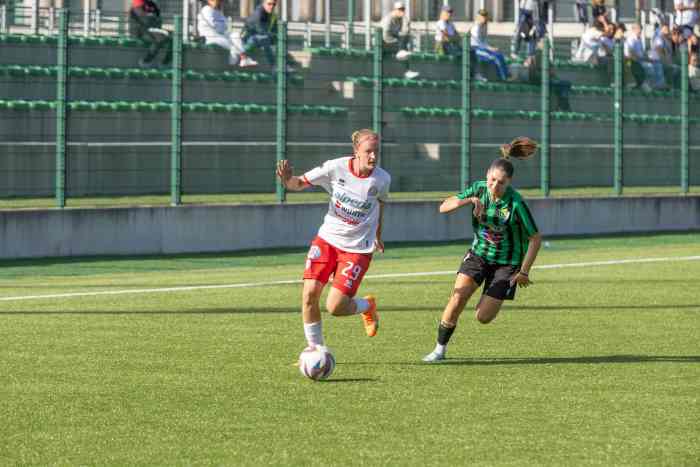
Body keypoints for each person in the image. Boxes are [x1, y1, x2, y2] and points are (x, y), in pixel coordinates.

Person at [422, 139, 542, 363]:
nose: (495, 186)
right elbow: (443, 207)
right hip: (479, 255)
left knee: (483, 317)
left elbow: (535, 238)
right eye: (492, 180)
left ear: (509, 183)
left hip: (507, 263)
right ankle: (439, 350)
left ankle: (490, 295)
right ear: (487, 175)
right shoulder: (478, 188)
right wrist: (468, 200)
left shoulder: (516, 203)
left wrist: (524, 271)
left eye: (501, 183)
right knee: (457, 299)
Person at [275, 129, 391, 351]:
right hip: (327, 240)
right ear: (356, 151)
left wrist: (378, 235)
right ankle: (316, 349)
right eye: (368, 151)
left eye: (376, 151)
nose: (373, 157)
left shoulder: (383, 179)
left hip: (357, 249)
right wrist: (287, 180)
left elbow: (381, 206)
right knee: (309, 294)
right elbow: (298, 184)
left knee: (335, 307)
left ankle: (367, 306)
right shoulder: (334, 167)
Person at [197, 0, 251, 66]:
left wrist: (220, 26)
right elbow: (214, 26)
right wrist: (221, 26)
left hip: (220, 35)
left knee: (235, 35)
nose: (216, 2)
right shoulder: (206, 10)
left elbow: (224, 26)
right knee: (234, 46)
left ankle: (242, 60)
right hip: (210, 37)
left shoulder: (218, 11)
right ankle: (234, 65)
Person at [381, 1, 420, 79]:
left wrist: (406, 21)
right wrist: (396, 41)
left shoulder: (401, 19)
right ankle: (406, 69)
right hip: (383, 42)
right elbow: (385, 35)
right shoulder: (388, 19)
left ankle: (407, 71)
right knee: (402, 43)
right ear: (395, 10)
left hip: (394, 42)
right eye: (399, 9)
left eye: (403, 9)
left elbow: (405, 32)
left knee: (404, 41)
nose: (401, 11)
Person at [129, 0, 172, 68]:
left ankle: (166, 62)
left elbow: (158, 19)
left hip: (152, 30)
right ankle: (146, 61)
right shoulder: (137, 4)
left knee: (172, 38)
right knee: (159, 39)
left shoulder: (151, 5)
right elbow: (143, 19)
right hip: (140, 32)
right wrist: (150, 17)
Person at [470, 9, 510, 81]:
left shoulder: (484, 26)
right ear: (478, 17)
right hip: (475, 49)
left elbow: (484, 40)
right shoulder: (476, 27)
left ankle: (507, 76)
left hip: (482, 48)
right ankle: (504, 78)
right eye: (482, 16)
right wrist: (489, 48)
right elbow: (478, 43)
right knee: (494, 58)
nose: (484, 18)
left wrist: (490, 48)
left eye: (485, 16)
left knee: (499, 55)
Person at [241, 0, 279, 69]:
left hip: (258, 39)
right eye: (269, 4)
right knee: (264, 38)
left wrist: (274, 36)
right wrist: (271, 35)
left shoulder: (272, 15)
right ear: (263, 3)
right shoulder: (258, 13)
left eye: (274, 4)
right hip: (247, 40)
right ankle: (243, 55)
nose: (272, 6)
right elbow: (260, 31)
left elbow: (275, 31)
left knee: (267, 41)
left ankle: (274, 65)